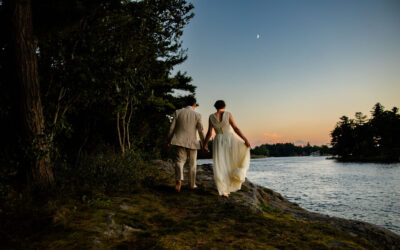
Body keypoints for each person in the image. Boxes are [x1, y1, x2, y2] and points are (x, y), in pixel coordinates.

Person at [203, 100, 250, 197]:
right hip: (229, 139)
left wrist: (205, 144)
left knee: (220, 164)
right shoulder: (228, 114)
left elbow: (209, 132)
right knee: (230, 161)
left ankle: (223, 190)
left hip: (218, 140)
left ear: (215, 107)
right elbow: (236, 128)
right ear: (224, 106)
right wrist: (245, 139)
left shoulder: (211, 117)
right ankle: (229, 185)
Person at [168, 97, 205, 192]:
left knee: (179, 161)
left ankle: (179, 180)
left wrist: (169, 140)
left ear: (185, 103)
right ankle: (192, 185)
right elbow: (200, 131)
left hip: (179, 141)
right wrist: (204, 143)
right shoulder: (198, 115)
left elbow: (171, 128)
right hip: (193, 142)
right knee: (192, 164)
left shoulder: (178, 112)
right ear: (194, 104)